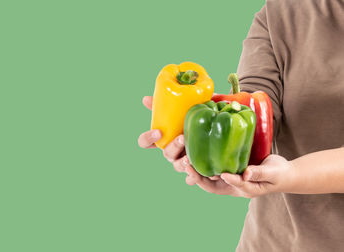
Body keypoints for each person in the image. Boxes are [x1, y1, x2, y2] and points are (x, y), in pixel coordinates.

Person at [138, 0, 344, 251]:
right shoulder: (281, 12)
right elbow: (255, 106)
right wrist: (193, 130)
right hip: (270, 243)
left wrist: (291, 174)